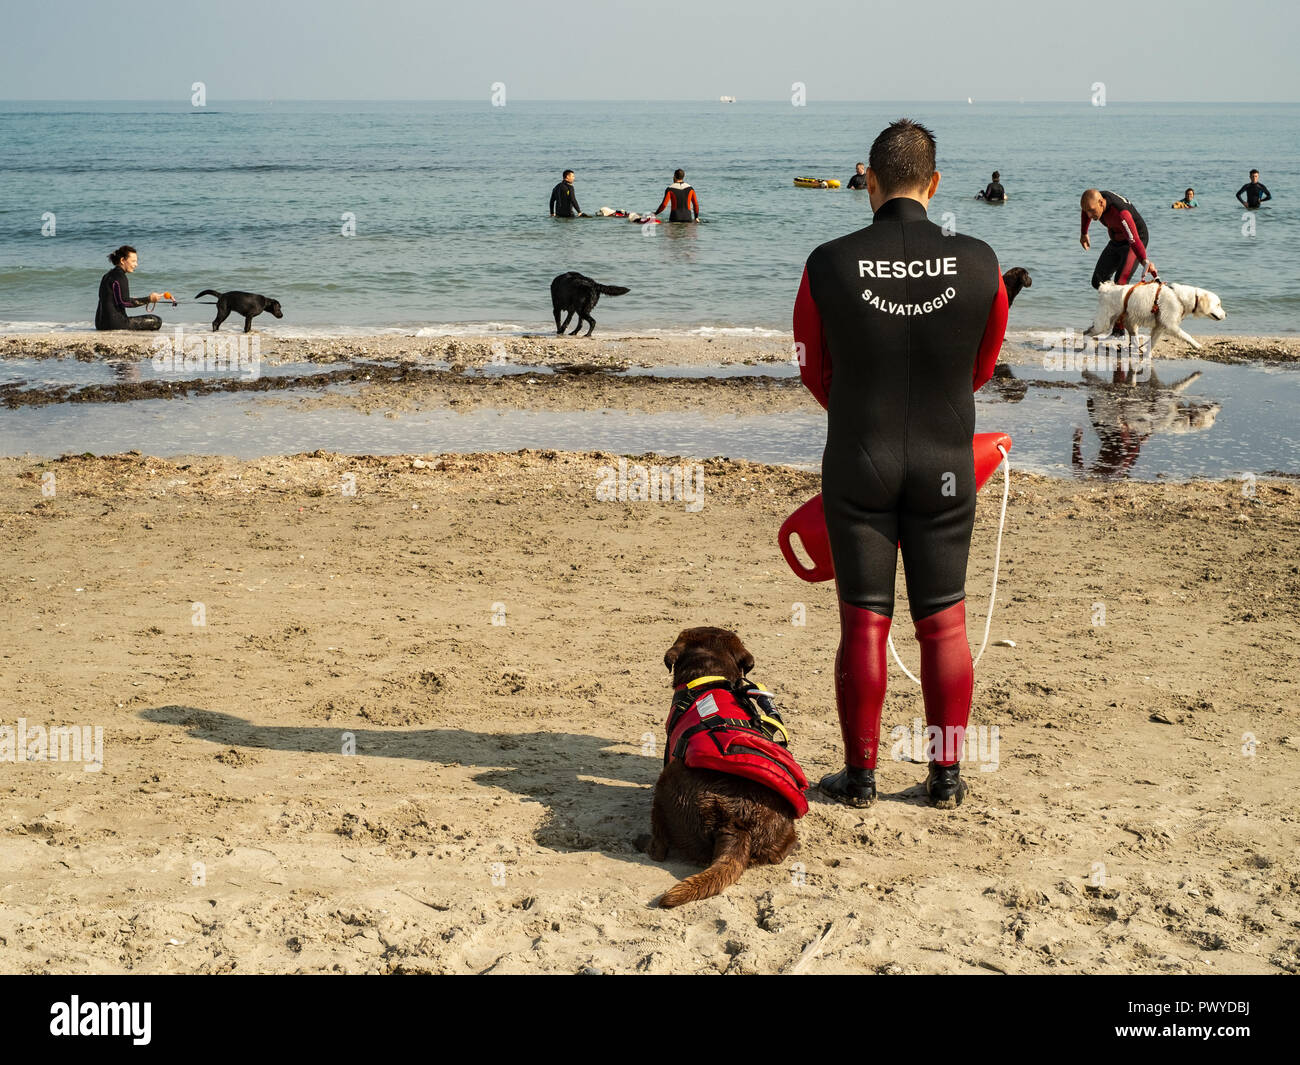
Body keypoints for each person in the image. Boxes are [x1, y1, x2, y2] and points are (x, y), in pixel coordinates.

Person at [793, 119, 1008, 808]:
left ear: (870, 181)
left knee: (863, 623)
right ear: (935, 183)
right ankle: (944, 779)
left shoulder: (828, 261)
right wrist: (933, 405)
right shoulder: (979, 259)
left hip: (861, 455)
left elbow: (811, 368)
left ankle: (859, 779)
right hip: (946, 458)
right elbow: (983, 365)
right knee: (943, 622)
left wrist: (862, 408)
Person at [1079, 188, 1156, 289]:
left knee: (1120, 284)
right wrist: (1084, 233)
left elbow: (1134, 240)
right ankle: (1113, 301)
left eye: (1092, 211)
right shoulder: (1095, 201)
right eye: (1087, 211)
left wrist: (1145, 262)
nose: (1089, 215)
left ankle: (1130, 300)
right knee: (1098, 281)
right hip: (1117, 239)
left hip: (1135, 240)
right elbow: (1086, 210)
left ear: (1101, 203)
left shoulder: (1121, 214)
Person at [95, 245, 164, 331]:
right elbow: (124, 302)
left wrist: (134, 299)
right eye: (133, 261)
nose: (136, 264)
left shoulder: (107, 276)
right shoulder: (120, 277)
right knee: (156, 321)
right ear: (122, 260)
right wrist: (149, 299)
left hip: (100, 324)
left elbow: (115, 299)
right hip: (116, 324)